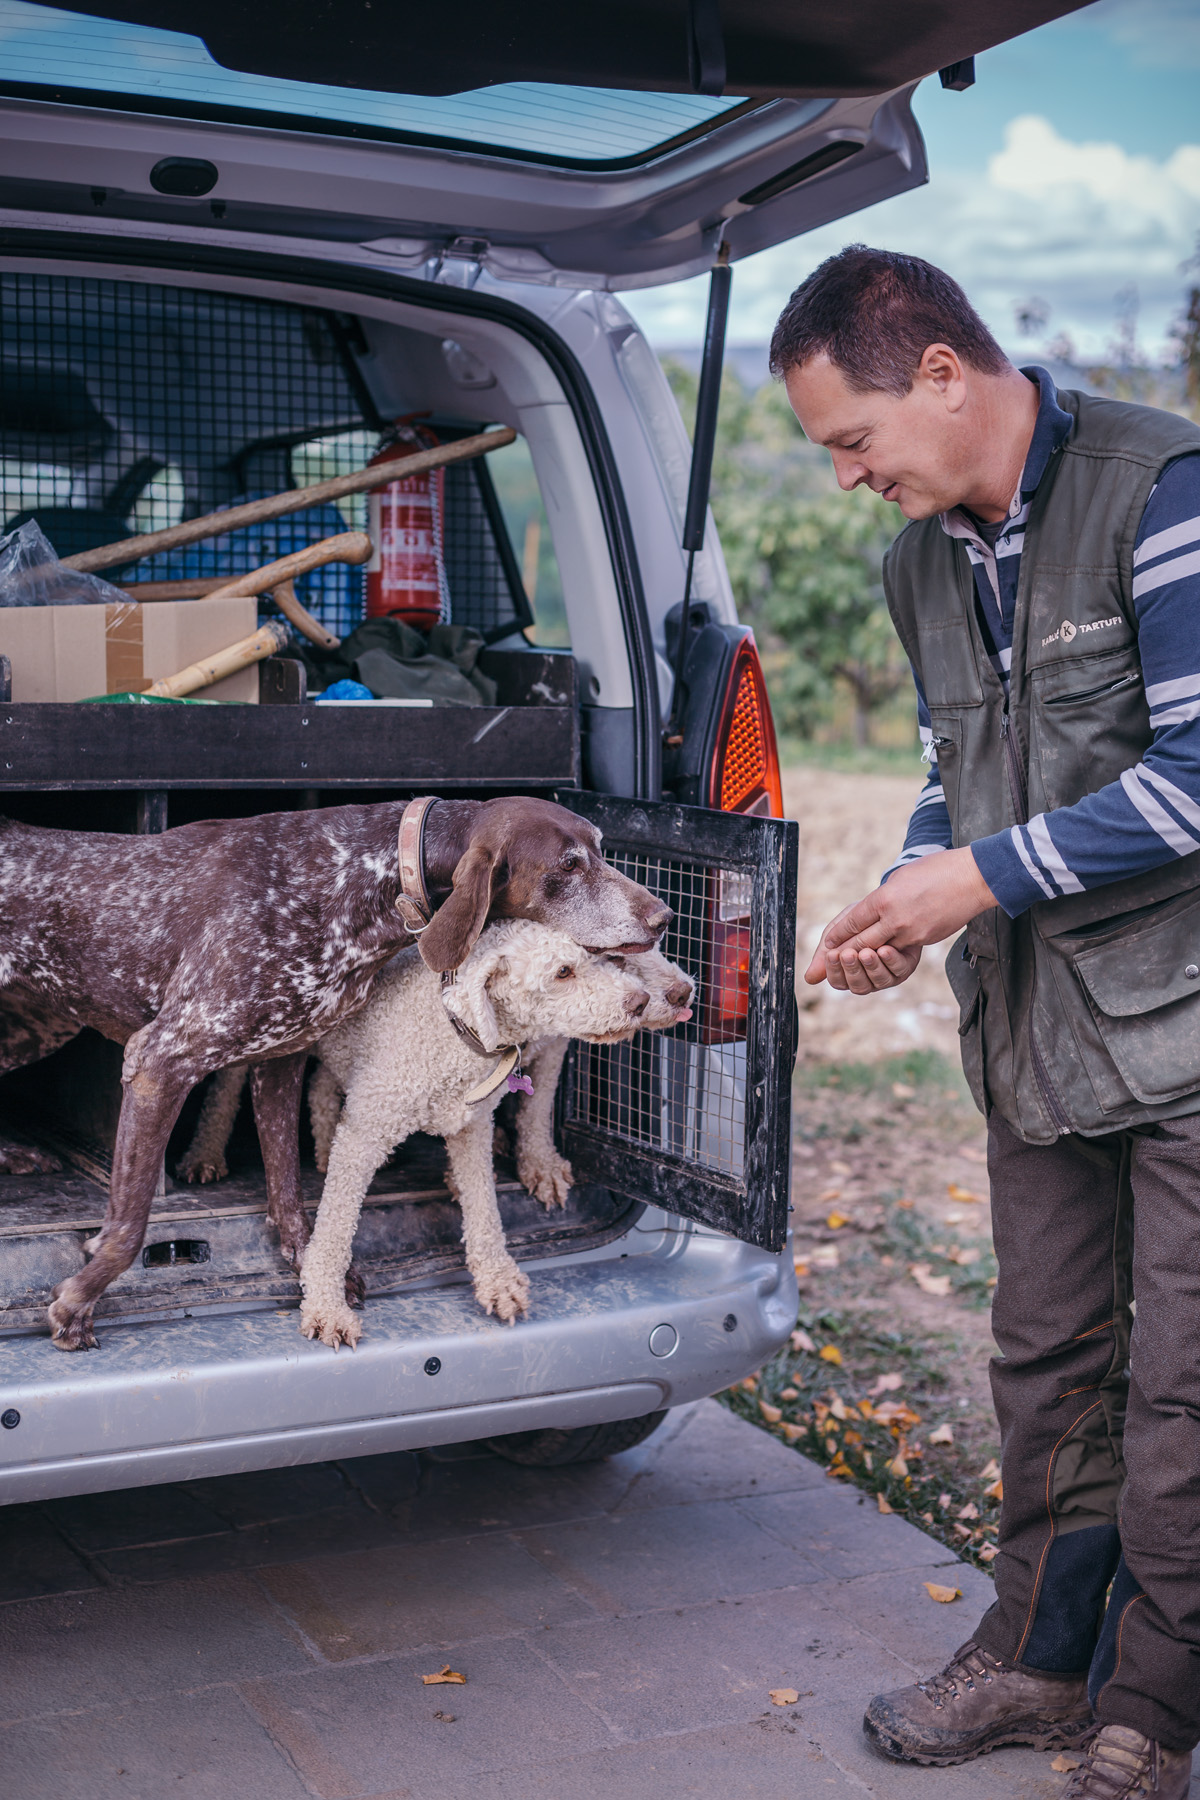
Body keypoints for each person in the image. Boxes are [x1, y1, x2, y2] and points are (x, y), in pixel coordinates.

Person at [771, 246, 1200, 1799]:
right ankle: (1034, 1659)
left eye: (853, 439)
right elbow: (967, 768)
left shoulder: (1164, 491)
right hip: (1032, 1032)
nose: (846, 477)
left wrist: (978, 881)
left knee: (1184, 1387)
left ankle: (1152, 1704)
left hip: (1189, 1034)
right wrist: (907, 887)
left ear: (941, 376)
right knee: (1045, 1358)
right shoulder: (919, 562)